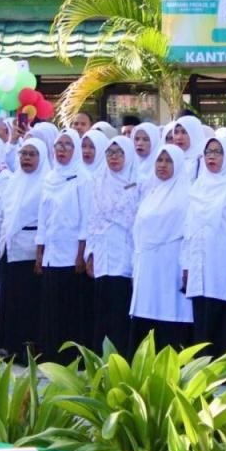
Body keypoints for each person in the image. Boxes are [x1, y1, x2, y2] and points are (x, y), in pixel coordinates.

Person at [183, 135, 226, 357]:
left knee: (224, 311)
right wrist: (186, 264)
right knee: (203, 310)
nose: (211, 157)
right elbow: (189, 228)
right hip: (199, 260)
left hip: (224, 262)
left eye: (217, 152)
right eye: (208, 152)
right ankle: (203, 365)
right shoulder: (198, 186)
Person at [130, 146, 193, 349]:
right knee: (148, 312)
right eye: (159, 160)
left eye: (168, 161)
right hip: (148, 264)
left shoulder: (186, 194)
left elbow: (188, 233)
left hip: (171, 263)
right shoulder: (151, 191)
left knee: (170, 310)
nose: (163, 165)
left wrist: (186, 265)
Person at [0, 138, 48, 363]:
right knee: (10, 301)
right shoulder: (15, 181)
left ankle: (29, 350)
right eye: (23, 153)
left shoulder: (46, 182)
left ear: (41, 157)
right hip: (10, 249)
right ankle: (11, 347)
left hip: (30, 252)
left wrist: (40, 253)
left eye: (32, 154)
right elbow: (2, 213)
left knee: (29, 302)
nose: (26, 158)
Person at [36, 129, 89, 364]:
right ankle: (51, 355)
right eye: (59, 145)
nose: (62, 150)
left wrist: (81, 254)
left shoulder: (82, 177)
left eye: (68, 145)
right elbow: (43, 218)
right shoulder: (49, 177)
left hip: (71, 255)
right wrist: (40, 253)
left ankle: (70, 358)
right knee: (50, 308)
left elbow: (86, 218)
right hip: (51, 254)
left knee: (70, 307)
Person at [86, 135, 140, 354]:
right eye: (109, 153)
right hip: (102, 253)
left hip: (125, 253)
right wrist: (89, 253)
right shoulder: (99, 181)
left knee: (121, 306)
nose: (114, 158)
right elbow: (92, 219)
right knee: (102, 306)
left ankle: (122, 357)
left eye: (119, 153)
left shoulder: (137, 181)